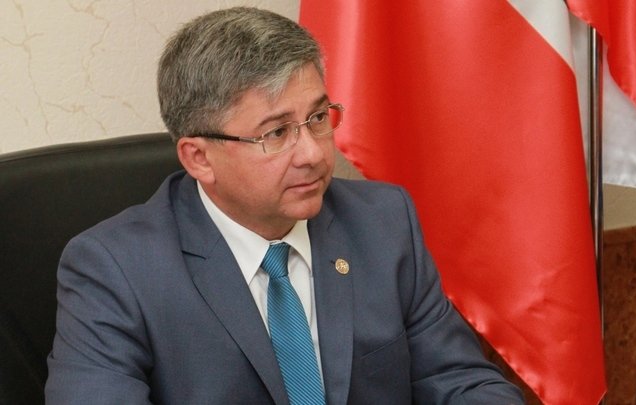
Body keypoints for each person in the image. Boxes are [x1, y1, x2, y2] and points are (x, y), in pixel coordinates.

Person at [45, 7, 524, 404]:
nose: (313, 153)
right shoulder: (115, 270)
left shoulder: (383, 222)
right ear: (199, 158)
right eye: (276, 133)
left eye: (317, 118)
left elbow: (460, 381)